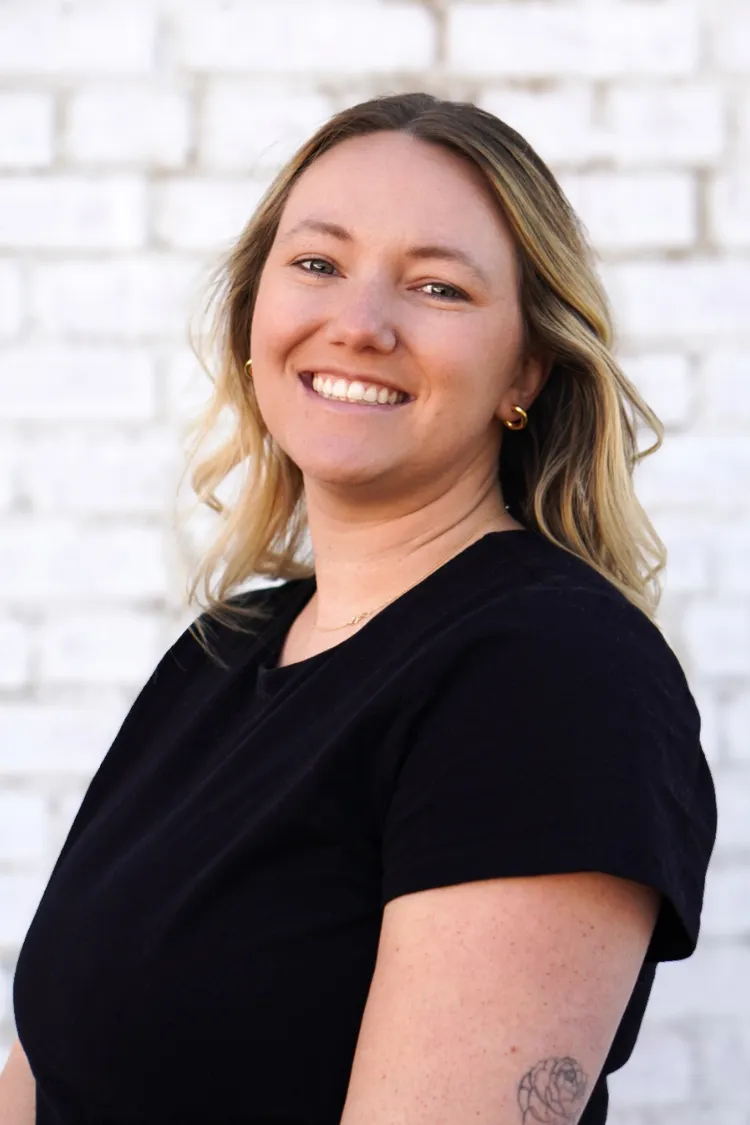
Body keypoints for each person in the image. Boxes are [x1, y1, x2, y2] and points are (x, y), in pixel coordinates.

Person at [1, 92, 716, 1125]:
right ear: (257, 316)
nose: (359, 324)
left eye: (436, 286)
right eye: (319, 265)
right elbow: (50, 1073)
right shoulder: (221, 656)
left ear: (525, 367)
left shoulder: (554, 677)